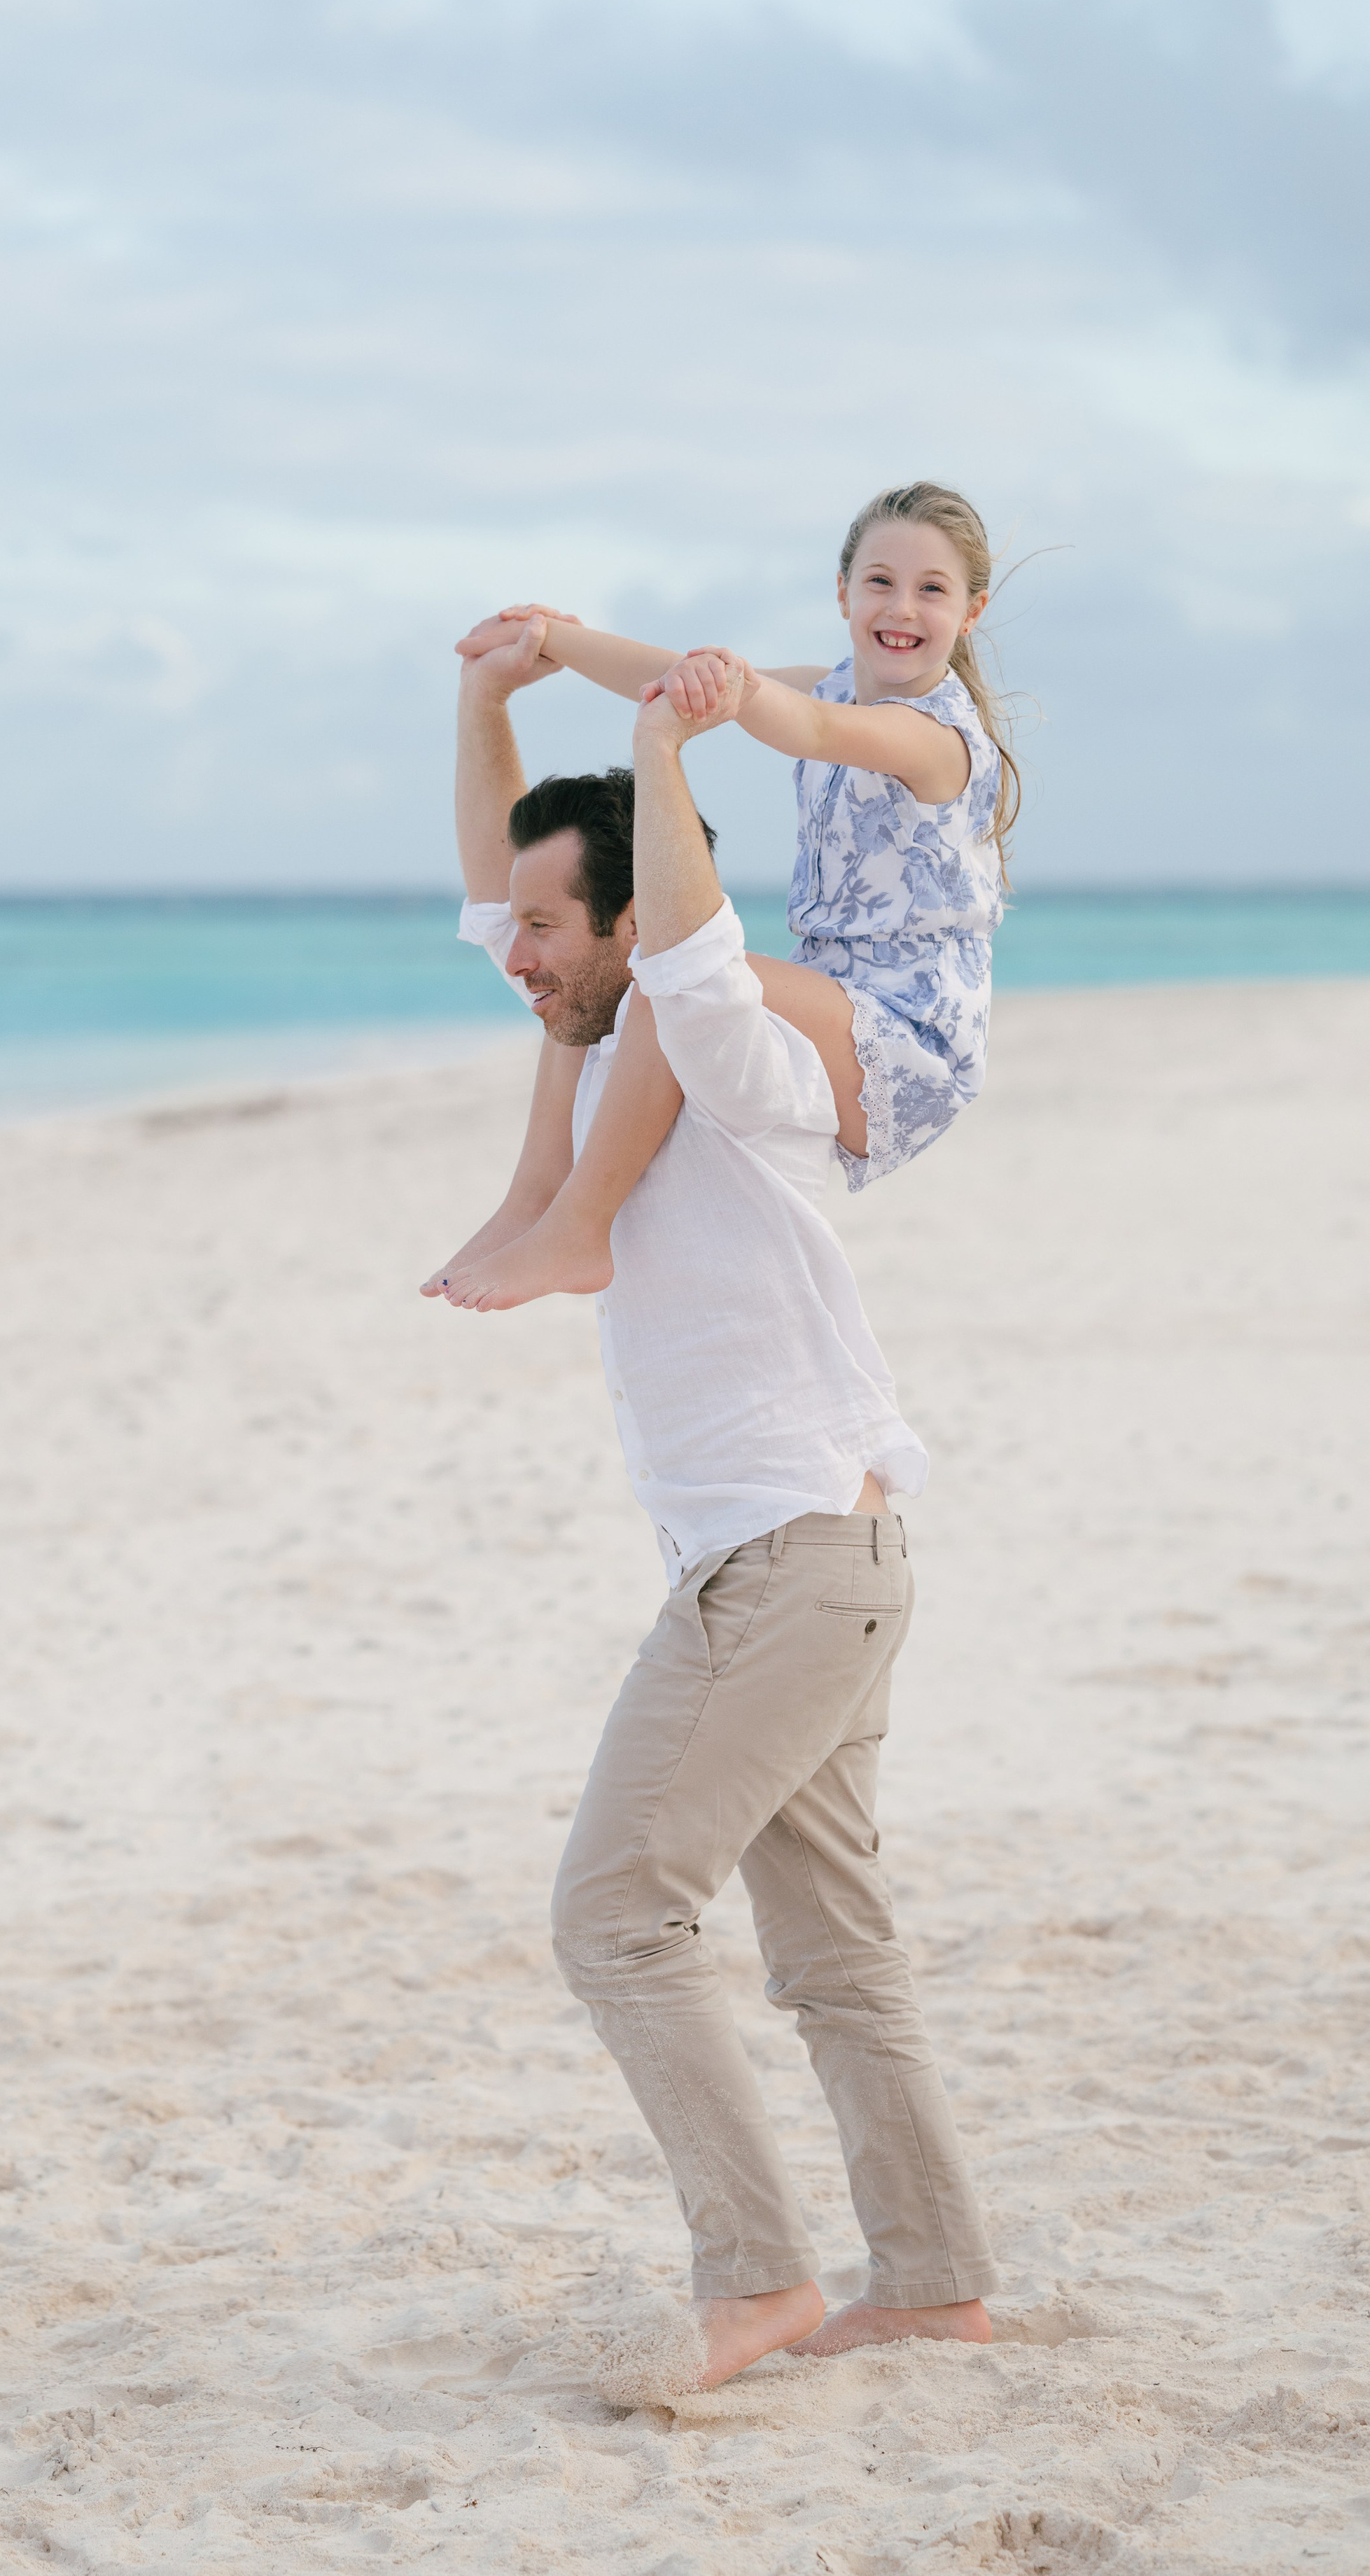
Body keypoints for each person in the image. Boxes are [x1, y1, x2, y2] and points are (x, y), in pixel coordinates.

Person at [432, 617, 1001, 2402]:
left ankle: (756, 2282)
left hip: (788, 1561)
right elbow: (504, 893)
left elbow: (684, 946)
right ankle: (931, 2285)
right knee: (833, 1956)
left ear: (630, 926)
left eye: (552, 926)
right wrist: (487, 696)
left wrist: (667, 750)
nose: (517, 951)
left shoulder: (727, 1051)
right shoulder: (599, 1044)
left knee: (613, 1912)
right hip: (815, 1556)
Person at [428, 481, 1016, 1314]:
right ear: (842, 592)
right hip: (835, 993)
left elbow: (809, 730)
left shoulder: (936, 738)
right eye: (880, 582)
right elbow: (668, 679)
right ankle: (534, 1194)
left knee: (672, 973)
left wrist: (729, 686)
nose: (901, 607)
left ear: (971, 611)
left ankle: (579, 1226)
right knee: (613, 966)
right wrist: (549, 637)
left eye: (932, 589)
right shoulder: (832, 684)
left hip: (910, 1037)